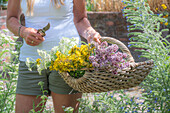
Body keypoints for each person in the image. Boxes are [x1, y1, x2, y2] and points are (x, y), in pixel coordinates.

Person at [6, 0, 101, 113]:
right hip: (31, 61)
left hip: (67, 61)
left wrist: (90, 33)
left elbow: (80, 19)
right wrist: (23, 31)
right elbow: (11, 18)